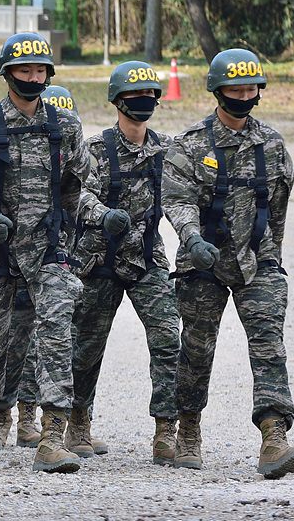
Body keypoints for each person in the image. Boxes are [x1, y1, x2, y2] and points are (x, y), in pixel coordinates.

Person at [163, 48, 294, 479]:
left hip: (257, 260)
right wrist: (192, 240)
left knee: (269, 346)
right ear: (217, 90)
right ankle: (187, 427)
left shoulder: (272, 143)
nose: (244, 95)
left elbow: (278, 206)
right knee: (196, 350)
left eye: (251, 88)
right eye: (235, 88)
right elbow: (176, 198)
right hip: (202, 262)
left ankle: (273, 435)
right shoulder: (191, 144)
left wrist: (272, 258)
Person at [0, 33, 89, 473]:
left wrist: (100, 213)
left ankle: (52, 438)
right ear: (7, 73)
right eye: (24, 70)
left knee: (56, 333)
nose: (33, 78)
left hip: (48, 249)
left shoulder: (65, 126)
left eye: (39, 71)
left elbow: (76, 189)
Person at [71, 61, 180, 463]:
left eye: (151, 94)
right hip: (99, 260)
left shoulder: (168, 150)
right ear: (118, 101)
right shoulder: (95, 149)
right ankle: (78, 422)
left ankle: (166, 431)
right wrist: (101, 214)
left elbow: (184, 195)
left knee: (169, 338)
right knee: (85, 347)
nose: (145, 101)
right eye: (136, 96)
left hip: (148, 260)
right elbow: (74, 194)